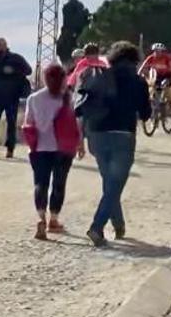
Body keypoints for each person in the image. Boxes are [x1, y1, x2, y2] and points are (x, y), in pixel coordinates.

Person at [76, 42, 150, 247]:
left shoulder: (99, 77)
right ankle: (97, 227)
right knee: (115, 185)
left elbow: (82, 106)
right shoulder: (138, 82)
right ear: (134, 60)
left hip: (96, 135)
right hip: (123, 135)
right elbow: (146, 114)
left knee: (110, 183)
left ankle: (119, 226)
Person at [22, 64, 83, 240]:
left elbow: (28, 124)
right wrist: (79, 143)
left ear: (44, 79)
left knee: (41, 183)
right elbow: (74, 124)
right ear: (64, 79)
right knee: (59, 183)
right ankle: (53, 220)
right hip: (63, 148)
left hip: (40, 148)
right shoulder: (67, 98)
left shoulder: (33, 98)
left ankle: (40, 218)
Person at [0, 37, 32, 158]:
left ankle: (10, 149)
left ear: (4, 46)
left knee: (11, 123)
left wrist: (14, 71)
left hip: (12, 96)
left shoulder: (16, 58)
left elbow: (28, 70)